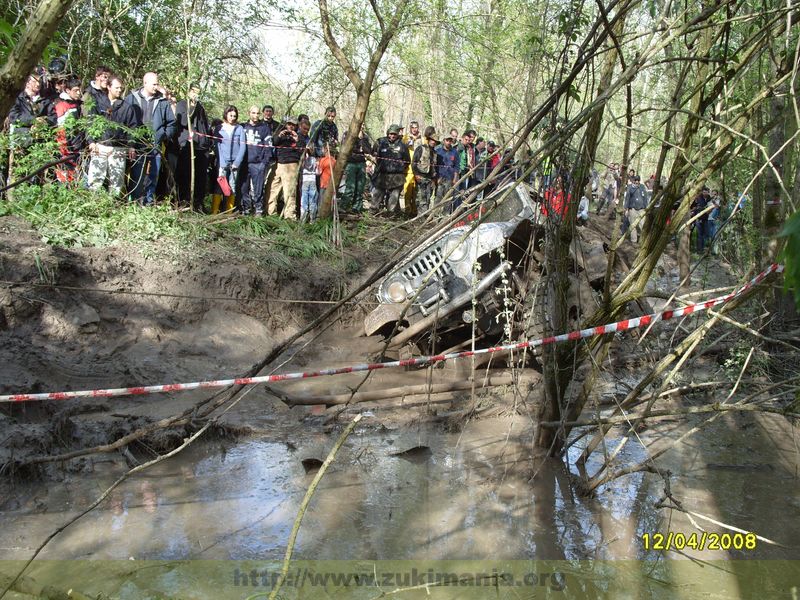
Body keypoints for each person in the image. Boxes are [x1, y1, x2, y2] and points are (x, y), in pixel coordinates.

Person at [86, 74, 141, 196]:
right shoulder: (98, 103)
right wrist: (91, 141)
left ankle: (113, 205)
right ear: (109, 87)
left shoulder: (127, 107)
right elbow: (90, 123)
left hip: (119, 148)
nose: (119, 90)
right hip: (100, 146)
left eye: (121, 88)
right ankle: (93, 203)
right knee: (95, 179)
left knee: (117, 181)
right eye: (116, 88)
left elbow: (132, 128)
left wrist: (131, 145)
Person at [126, 72, 176, 205]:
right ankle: (133, 204)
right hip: (137, 144)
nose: (156, 87)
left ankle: (148, 203)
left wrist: (162, 135)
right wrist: (129, 141)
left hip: (155, 146)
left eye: (157, 84)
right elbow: (125, 121)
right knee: (136, 175)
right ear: (145, 83)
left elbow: (171, 123)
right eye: (154, 84)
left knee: (153, 176)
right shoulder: (131, 99)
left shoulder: (163, 102)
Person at [175, 82, 211, 211]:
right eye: (194, 91)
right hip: (187, 146)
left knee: (201, 177)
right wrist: (192, 107)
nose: (196, 94)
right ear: (189, 91)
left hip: (201, 147)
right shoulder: (182, 104)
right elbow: (184, 121)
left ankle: (198, 203)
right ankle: (184, 201)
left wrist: (206, 141)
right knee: (185, 175)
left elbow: (204, 125)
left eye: (198, 92)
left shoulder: (200, 108)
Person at [268, 116, 306, 220]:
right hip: (279, 164)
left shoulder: (299, 136)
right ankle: (271, 213)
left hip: (292, 165)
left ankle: (290, 216)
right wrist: (280, 135)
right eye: (289, 124)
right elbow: (274, 142)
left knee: (289, 191)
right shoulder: (281, 134)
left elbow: (302, 151)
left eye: (293, 125)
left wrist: (296, 139)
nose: (291, 126)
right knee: (273, 189)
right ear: (286, 124)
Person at [370, 124, 410, 216]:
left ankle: (390, 213)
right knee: (378, 193)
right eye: (390, 134)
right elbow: (374, 154)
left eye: (394, 134)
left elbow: (407, 161)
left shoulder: (402, 146)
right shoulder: (381, 142)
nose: (392, 136)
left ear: (397, 135)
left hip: (397, 175)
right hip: (382, 173)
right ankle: (373, 210)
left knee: (394, 196)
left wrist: (399, 168)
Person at [212, 105, 245, 214]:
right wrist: (221, 162)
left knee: (232, 187)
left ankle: (228, 213)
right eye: (231, 115)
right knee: (219, 186)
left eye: (235, 116)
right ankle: (214, 212)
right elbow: (217, 146)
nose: (233, 118)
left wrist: (237, 162)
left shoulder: (240, 129)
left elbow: (242, 146)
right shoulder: (219, 128)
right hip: (222, 162)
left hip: (235, 163)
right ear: (226, 114)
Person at [51, 76, 84, 183]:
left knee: (76, 178)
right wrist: (65, 150)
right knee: (65, 179)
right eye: (75, 90)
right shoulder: (62, 105)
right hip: (67, 150)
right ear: (67, 90)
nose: (78, 93)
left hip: (78, 147)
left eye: (79, 90)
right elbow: (61, 131)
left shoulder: (77, 104)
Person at [241, 105, 272, 216]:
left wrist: (264, 162)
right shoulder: (242, 127)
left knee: (258, 189)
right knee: (244, 188)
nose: (255, 115)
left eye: (257, 113)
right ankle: (246, 209)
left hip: (258, 163)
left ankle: (258, 210)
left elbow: (268, 146)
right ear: (249, 113)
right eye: (253, 113)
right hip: (244, 163)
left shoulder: (264, 128)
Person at [340, 123, 371, 213]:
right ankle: (344, 206)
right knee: (350, 186)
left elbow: (368, 150)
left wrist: (362, 140)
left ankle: (356, 208)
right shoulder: (347, 134)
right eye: (360, 125)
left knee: (360, 187)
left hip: (361, 163)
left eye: (363, 126)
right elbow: (345, 147)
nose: (361, 127)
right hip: (351, 163)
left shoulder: (365, 137)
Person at [412, 126, 439, 214]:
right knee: (420, 197)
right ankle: (419, 216)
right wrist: (416, 175)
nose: (433, 142)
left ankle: (424, 215)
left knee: (428, 197)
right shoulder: (421, 148)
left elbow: (435, 167)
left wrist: (434, 179)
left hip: (430, 178)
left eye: (435, 141)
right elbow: (414, 162)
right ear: (429, 139)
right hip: (421, 176)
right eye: (432, 140)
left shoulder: (435, 153)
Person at [434, 133, 459, 211]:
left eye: (450, 141)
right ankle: (435, 215)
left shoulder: (455, 152)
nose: (448, 142)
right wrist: (436, 178)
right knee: (438, 197)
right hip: (440, 178)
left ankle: (445, 216)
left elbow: (456, 166)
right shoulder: (438, 151)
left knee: (448, 198)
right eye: (447, 140)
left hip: (449, 178)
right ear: (444, 141)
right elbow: (434, 165)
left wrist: (455, 179)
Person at [624, 175, 648, 244]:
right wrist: (626, 208)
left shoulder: (642, 187)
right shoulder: (630, 187)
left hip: (641, 209)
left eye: (638, 180)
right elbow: (627, 198)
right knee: (632, 225)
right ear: (634, 180)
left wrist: (646, 208)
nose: (637, 182)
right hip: (633, 209)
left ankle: (642, 241)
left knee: (642, 225)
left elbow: (645, 198)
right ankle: (633, 240)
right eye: (636, 180)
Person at [316, 145, 336, 220]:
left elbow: (319, 172)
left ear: (326, 150)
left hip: (324, 184)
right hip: (331, 184)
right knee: (330, 201)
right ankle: (329, 216)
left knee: (321, 201)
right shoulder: (334, 160)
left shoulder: (323, 160)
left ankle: (319, 217)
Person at [299, 147, 318, 223]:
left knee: (304, 200)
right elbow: (317, 172)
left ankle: (303, 220)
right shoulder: (315, 160)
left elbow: (301, 166)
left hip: (306, 180)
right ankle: (312, 220)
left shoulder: (304, 159)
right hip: (313, 179)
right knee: (312, 200)